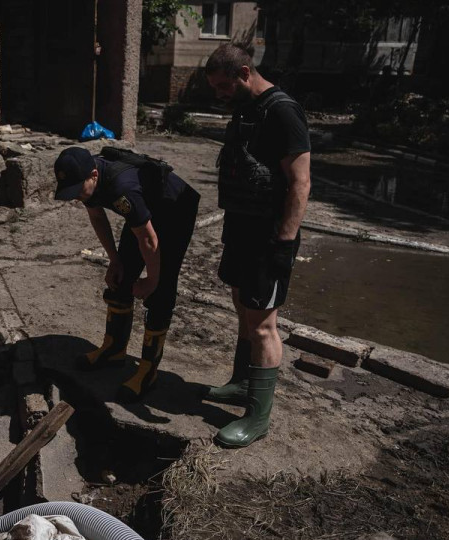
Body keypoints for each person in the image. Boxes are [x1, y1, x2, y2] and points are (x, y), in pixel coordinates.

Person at [202, 43, 311, 448]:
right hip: (241, 228)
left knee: (264, 325)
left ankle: (256, 419)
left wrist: (283, 242)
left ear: (245, 73)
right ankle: (242, 383)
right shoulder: (247, 108)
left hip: (269, 237)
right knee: (242, 307)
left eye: (224, 85)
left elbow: (300, 182)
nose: (220, 94)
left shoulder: (283, 111)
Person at [53, 146, 200, 403]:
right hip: (144, 213)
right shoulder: (89, 179)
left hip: (174, 209)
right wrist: (115, 260)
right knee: (121, 278)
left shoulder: (123, 189)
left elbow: (150, 241)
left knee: (161, 290)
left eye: (78, 191)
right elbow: (98, 217)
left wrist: (151, 280)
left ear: (94, 175)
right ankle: (114, 349)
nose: (76, 197)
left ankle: (148, 371)